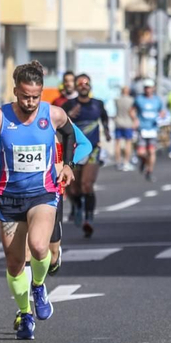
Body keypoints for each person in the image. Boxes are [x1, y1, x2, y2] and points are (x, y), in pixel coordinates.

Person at [0, 62, 78, 341]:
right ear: (15, 91)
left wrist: (67, 164)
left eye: (35, 96)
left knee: (39, 246)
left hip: (43, 193)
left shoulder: (53, 114)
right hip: (9, 197)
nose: (30, 102)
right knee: (14, 263)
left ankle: (39, 286)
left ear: (41, 92)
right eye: (24, 96)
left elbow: (69, 135)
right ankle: (25, 314)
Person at [62, 74, 110, 239]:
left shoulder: (98, 104)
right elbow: (60, 124)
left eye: (86, 83)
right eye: (80, 83)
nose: (83, 86)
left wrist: (107, 132)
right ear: (76, 86)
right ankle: (77, 206)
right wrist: (69, 115)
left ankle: (89, 218)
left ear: (90, 86)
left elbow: (104, 119)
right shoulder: (69, 104)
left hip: (93, 150)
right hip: (74, 150)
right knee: (73, 188)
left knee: (86, 185)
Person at [131, 80, 164, 181]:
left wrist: (161, 116)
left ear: (153, 88)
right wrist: (135, 119)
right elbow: (132, 110)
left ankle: (149, 171)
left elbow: (162, 111)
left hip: (153, 129)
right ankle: (144, 161)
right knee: (141, 153)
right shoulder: (139, 99)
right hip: (142, 129)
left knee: (151, 151)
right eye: (146, 87)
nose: (148, 89)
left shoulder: (157, 100)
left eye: (150, 87)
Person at [112, 84, 137, 171]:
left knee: (117, 143)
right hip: (127, 123)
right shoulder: (131, 100)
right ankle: (126, 162)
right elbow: (132, 112)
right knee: (128, 143)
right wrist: (135, 121)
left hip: (118, 122)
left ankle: (118, 161)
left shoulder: (117, 100)